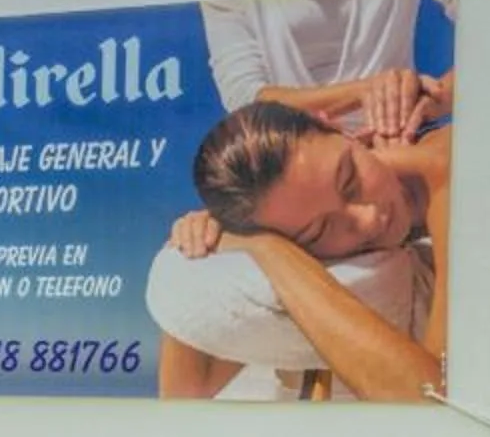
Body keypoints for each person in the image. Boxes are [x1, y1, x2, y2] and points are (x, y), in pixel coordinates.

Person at [156, 100, 450, 403]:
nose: (369, 217)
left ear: (339, 129)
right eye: (320, 230)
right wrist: (238, 248)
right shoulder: (305, 250)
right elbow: (186, 395)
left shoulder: (448, 167)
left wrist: (267, 248)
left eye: (349, 179)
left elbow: (433, 401)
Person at [199, 0, 453, 140]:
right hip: (298, 163)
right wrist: (371, 91)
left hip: (401, 141)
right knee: (200, 230)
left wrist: (429, 100)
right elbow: (246, 100)